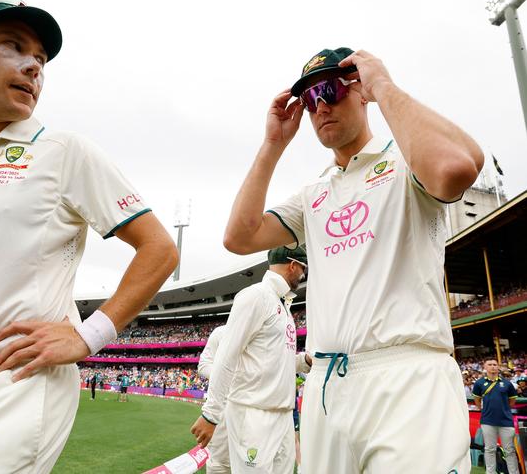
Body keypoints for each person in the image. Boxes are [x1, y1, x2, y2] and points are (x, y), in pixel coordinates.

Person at [0, 0, 178, 473]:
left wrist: (88, 336)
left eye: (41, 58)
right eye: (13, 46)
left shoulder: (63, 151)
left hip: (13, 383)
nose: (33, 67)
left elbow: (158, 248)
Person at [223, 47, 484, 473]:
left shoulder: (407, 160)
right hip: (327, 385)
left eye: (329, 90)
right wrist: (272, 144)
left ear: (359, 90)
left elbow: (456, 167)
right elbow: (239, 236)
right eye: (310, 100)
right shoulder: (315, 193)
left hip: (407, 378)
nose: (320, 106)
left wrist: (382, 85)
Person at [191, 246, 312, 473]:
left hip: (283, 415)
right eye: (303, 268)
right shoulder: (256, 296)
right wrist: (211, 414)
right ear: (292, 265)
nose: (304, 274)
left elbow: (276, 359)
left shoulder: (283, 305)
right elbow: (228, 356)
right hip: (254, 415)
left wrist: (304, 360)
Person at [473, 358, 520, 474]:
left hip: (506, 421)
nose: (493, 366)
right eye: (490, 364)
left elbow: (512, 401)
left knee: (510, 450)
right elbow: (477, 401)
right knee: (489, 449)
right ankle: (490, 472)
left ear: (498, 367)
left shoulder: (507, 383)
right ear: (485, 367)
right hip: (487, 421)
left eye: (495, 364)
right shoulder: (479, 383)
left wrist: (503, 410)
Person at [197, 324, 230, 474]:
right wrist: (227, 377)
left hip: (254, 413)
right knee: (219, 464)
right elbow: (203, 365)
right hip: (223, 411)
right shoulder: (222, 332)